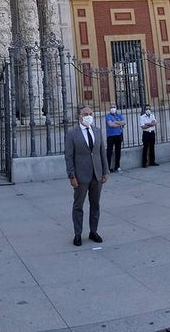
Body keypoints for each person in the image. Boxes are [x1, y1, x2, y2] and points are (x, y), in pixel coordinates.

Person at [64, 105, 108, 245]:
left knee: (95, 204)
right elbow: (69, 156)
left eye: (90, 113)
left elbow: (102, 153)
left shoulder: (97, 131)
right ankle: (78, 234)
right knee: (78, 205)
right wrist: (71, 175)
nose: (88, 116)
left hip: (97, 174)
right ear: (79, 116)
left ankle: (93, 231)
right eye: (85, 114)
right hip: (80, 175)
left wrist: (105, 171)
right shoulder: (72, 134)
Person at [105, 104, 126, 171]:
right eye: (111, 107)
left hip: (118, 135)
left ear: (116, 108)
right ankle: (107, 168)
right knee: (109, 152)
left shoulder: (119, 115)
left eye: (114, 107)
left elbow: (124, 123)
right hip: (110, 136)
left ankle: (117, 166)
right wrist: (119, 124)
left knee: (118, 151)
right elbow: (111, 125)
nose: (113, 108)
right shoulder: (108, 116)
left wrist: (116, 122)